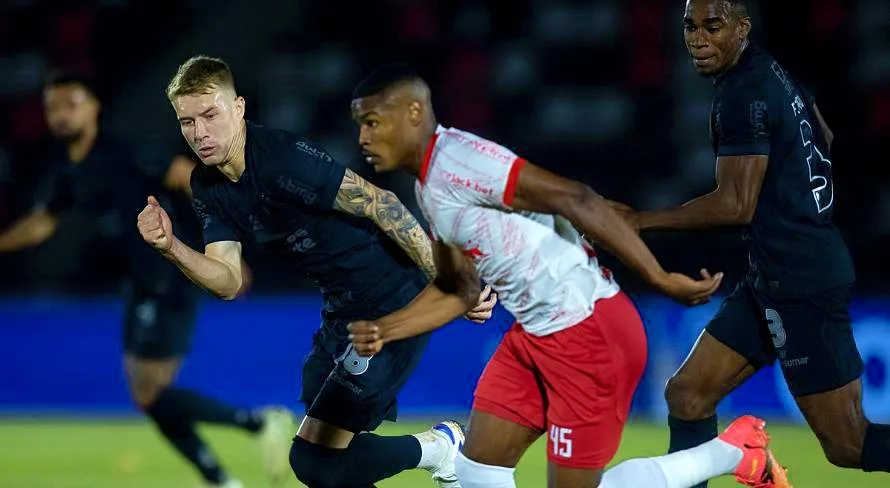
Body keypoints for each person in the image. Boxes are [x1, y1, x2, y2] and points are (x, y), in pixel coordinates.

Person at [344, 63, 792, 488]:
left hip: (588, 334)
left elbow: (574, 197)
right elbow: (461, 289)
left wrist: (659, 278)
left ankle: (736, 452)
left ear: (413, 113)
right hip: (535, 337)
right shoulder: (429, 187)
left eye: (372, 122)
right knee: (477, 468)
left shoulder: (461, 161)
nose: (362, 136)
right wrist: (387, 328)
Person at [138, 55, 497, 488]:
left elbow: (380, 204)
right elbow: (228, 281)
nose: (199, 133)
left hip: (392, 302)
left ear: (239, 108)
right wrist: (171, 246)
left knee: (313, 460)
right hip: (342, 314)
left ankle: (442, 449)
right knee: (327, 460)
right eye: (186, 122)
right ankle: (439, 449)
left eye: (210, 115)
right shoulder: (208, 185)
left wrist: (451, 284)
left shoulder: (282, 158)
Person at [604, 0, 890, 485]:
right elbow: (824, 134)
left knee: (847, 445)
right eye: (690, 26)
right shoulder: (770, 73)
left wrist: (638, 220)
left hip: (802, 281)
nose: (698, 38)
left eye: (712, 27)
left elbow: (736, 204)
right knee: (688, 395)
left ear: (741, 27)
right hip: (770, 276)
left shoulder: (744, 93)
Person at [0, 72, 293, 488]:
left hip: (168, 277)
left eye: (72, 104)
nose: (62, 115)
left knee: (150, 396)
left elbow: (188, 176)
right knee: (150, 398)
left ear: (94, 107)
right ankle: (223, 474)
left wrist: (226, 246)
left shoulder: (126, 151)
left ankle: (257, 424)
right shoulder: (70, 170)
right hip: (140, 283)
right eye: (53, 107)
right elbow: (42, 222)